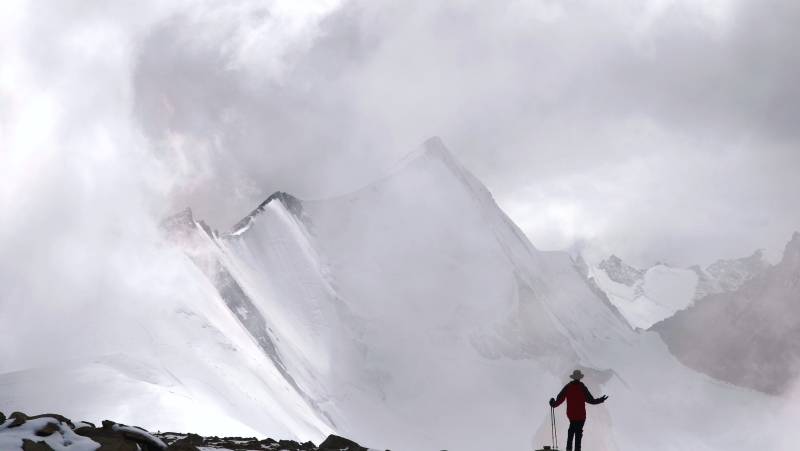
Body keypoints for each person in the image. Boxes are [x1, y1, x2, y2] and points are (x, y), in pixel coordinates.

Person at [549, 369, 608, 451]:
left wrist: (553, 404)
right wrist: (600, 400)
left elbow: (560, 399)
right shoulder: (582, 387)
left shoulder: (568, 387)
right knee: (578, 436)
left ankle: (569, 449)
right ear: (579, 378)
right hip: (581, 417)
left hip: (572, 416)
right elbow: (591, 400)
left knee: (571, 434)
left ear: (573, 378)